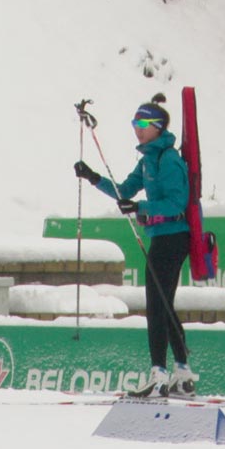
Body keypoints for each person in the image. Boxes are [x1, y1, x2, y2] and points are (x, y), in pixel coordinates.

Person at [74, 96, 197, 398]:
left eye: (143, 124)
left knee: (156, 305)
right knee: (164, 305)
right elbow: (125, 190)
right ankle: (182, 372)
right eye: (134, 124)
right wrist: (93, 178)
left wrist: (140, 206)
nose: (137, 130)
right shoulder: (148, 159)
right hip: (162, 237)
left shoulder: (168, 159)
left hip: (173, 237)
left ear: (158, 127)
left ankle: (159, 373)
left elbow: (175, 203)